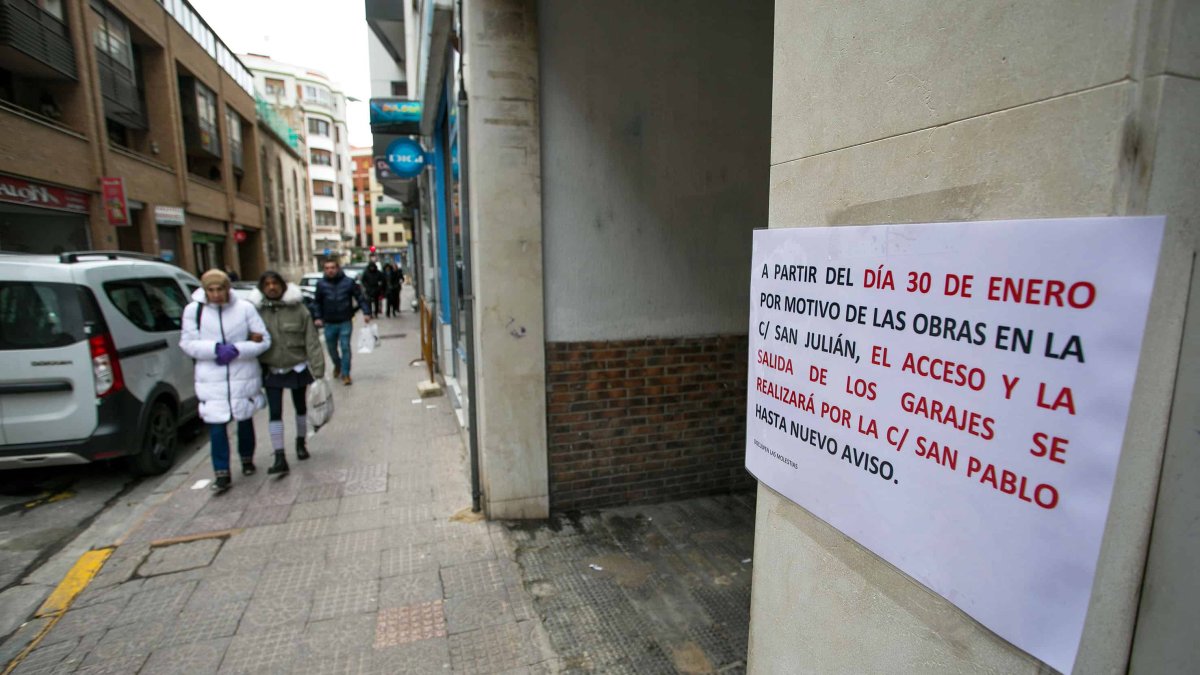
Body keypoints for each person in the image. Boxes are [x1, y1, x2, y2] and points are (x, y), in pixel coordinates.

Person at [180, 269, 271, 492]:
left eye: (220, 289)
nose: (216, 294)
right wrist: (214, 349)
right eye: (211, 290)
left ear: (227, 289)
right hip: (211, 378)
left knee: (244, 419)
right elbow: (187, 343)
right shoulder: (194, 311)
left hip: (242, 374)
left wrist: (238, 349)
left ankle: (247, 459)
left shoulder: (244, 308)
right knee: (217, 427)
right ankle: (221, 472)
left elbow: (263, 339)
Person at [250, 271, 325, 476]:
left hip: (296, 367)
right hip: (272, 369)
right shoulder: (256, 312)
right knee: (275, 413)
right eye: (267, 284)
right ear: (262, 288)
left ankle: (301, 443)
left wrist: (318, 371)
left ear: (283, 286)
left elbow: (312, 341)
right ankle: (279, 455)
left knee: (300, 408)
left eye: (275, 283)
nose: (272, 287)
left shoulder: (299, 309)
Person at [312, 258, 371, 385]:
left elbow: (360, 297)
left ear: (338, 268)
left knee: (345, 347)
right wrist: (317, 317)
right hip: (329, 322)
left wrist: (366, 312)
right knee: (331, 348)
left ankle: (346, 373)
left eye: (332, 268)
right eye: (327, 268)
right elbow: (316, 303)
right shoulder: (321, 284)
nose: (330, 271)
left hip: (345, 320)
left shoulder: (348, 282)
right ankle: (337, 365)